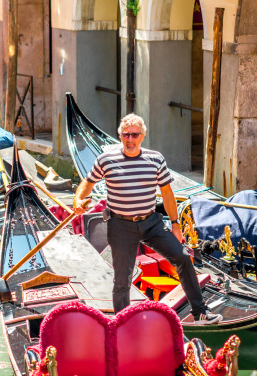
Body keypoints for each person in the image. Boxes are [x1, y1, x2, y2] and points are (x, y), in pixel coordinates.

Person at [72, 113, 222, 324]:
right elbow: (87, 183)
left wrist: (176, 225)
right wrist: (78, 200)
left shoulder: (155, 159)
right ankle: (122, 323)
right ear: (120, 135)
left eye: (134, 134)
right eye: (126, 134)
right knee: (122, 279)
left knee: (183, 258)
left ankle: (200, 313)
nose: (130, 139)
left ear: (142, 135)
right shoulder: (106, 160)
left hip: (151, 223)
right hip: (120, 225)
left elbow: (167, 194)